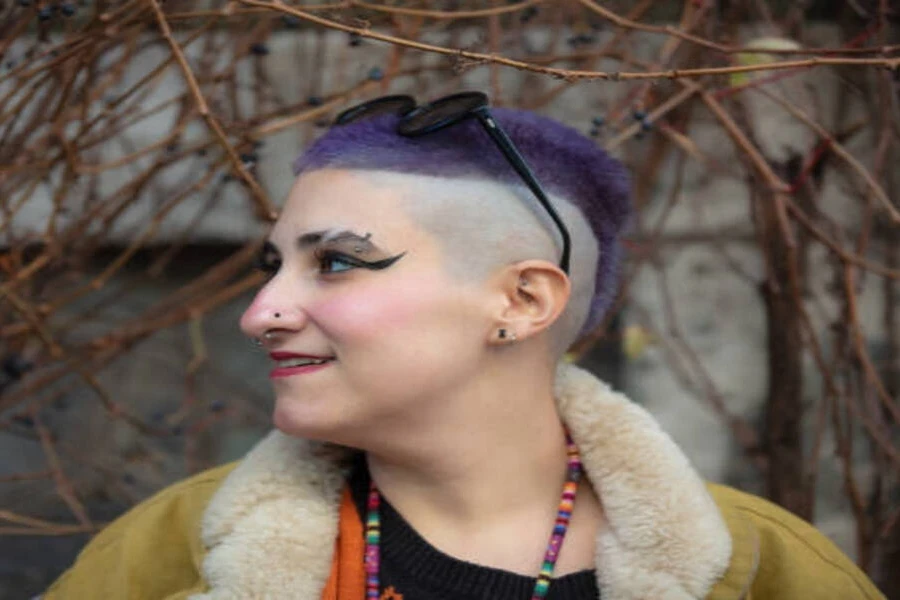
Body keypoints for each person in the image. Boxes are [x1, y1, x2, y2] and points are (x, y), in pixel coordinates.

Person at [44, 92, 884, 600]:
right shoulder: (169, 552)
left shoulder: (766, 570)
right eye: (275, 266)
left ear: (522, 301)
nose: (261, 311)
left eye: (336, 262)